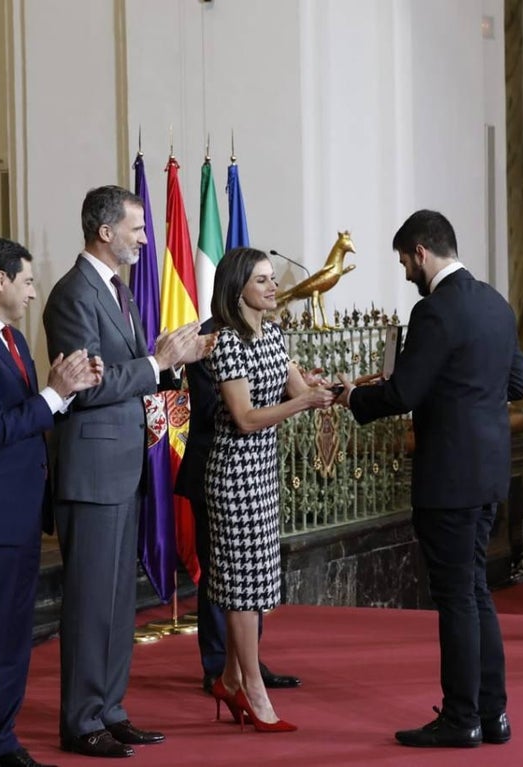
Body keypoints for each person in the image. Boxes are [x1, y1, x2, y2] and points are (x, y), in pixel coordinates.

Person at [337, 210, 523, 749]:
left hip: (448, 477)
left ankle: (461, 718)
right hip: (491, 471)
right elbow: (515, 381)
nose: (403, 273)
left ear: (421, 252)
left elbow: (403, 394)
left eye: (402, 261)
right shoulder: (495, 302)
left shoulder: (434, 311)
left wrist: (353, 396)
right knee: (476, 592)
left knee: (456, 598)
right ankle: (494, 715)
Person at [43, 185, 210, 758]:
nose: (145, 237)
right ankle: (81, 719)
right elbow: (83, 389)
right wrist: (154, 362)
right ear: (105, 231)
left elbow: (127, 372)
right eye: (137, 227)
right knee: (90, 601)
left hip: (124, 467)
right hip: (91, 471)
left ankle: (110, 710)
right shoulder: (72, 295)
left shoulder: (118, 291)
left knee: (117, 601)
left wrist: (167, 361)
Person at [0, 237, 103, 767]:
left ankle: (2, 739)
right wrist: (53, 395)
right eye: (28, 281)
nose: (34, 292)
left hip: (22, 513)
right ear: (1, 281)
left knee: (14, 639)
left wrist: (66, 393)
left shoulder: (7, 339)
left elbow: (30, 417)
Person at [203, 248, 334, 732]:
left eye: (272, 279)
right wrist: (302, 402)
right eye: (263, 280)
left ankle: (230, 679)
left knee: (257, 583)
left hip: (262, 474)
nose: (274, 286)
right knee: (241, 587)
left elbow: (299, 387)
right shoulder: (226, 343)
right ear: (239, 289)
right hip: (234, 474)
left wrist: (336, 390)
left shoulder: (275, 334)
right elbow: (244, 418)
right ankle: (253, 691)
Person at [172, 315, 303, 695]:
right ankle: (219, 668)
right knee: (221, 576)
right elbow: (228, 409)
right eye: (261, 280)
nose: (272, 288)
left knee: (248, 579)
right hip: (217, 467)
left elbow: (262, 393)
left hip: (253, 473)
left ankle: (247, 665)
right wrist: (283, 397)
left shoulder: (264, 332)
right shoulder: (215, 338)